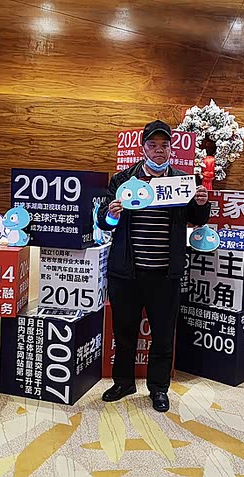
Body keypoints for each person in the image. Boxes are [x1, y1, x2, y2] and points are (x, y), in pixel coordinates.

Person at [96, 120, 210, 412]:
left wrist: (201, 202)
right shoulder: (123, 180)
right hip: (126, 273)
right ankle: (123, 382)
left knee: (163, 334)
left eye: (164, 145)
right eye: (152, 145)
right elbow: (103, 222)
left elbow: (198, 219)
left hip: (165, 273)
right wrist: (111, 213)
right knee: (124, 332)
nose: (159, 151)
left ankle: (158, 388)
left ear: (171, 149)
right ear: (143, 148)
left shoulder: (182, 182)